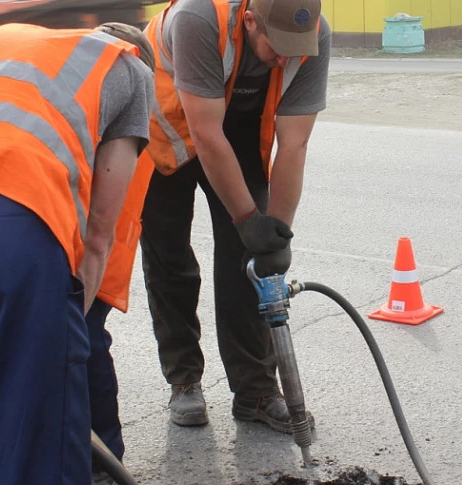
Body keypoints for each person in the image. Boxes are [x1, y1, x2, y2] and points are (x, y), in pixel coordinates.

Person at [0, 21, 154, 485]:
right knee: (27, 454)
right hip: (3, 233)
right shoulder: (131, 71)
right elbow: (97, 237)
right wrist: (67, 333)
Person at [139, 0, 330, 430]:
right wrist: (246, 218)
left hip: (234, 126)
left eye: (294, 48)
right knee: (170, 258)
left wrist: (274, 237)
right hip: (164, 125)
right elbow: (205, 136)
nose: (286, 58)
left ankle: (256, 393)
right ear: (249, 22)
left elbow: (294, 144)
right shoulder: (197, 19)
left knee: (247, 263)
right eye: (276, 47)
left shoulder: (313, 35)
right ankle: (184, 380)